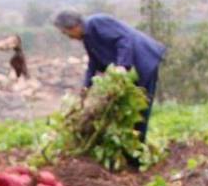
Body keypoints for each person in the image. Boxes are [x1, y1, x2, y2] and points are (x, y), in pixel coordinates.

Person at [53, 10, 166, 143]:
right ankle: (130, 146)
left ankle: (137, 149)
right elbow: (93, 63)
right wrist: (86, 87)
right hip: (132, 68)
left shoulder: (97, 22)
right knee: (126, 109)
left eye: (66, 33)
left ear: (74, 26)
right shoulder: (88, 38)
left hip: (143, 60)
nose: (69, 37)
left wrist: (122, 65)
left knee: (140, 108)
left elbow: (124, 38)